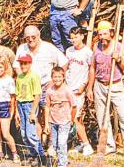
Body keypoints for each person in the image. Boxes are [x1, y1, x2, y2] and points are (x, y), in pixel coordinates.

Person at [86, 21, 124, 162]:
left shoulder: (118, 47)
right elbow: (93, 68)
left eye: (105, 33)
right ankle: (109, 146)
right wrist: (90, 87)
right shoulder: (96, 47)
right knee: (102, 118)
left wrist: (118, 59)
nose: (102, 37)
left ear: (111, 33)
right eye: (100, 34)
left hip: (115, 85)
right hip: (100, 85)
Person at [13, 25, 68, 154]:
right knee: (34, 117)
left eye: (33, 37)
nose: (30, 40)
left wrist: (55, 81)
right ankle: (38, 147)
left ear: (39, 36)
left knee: (49, 116)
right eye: (27, 38)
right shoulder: (22, 48)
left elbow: (64, 62)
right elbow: (16, 67)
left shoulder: (48, 48)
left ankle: (51, 145)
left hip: (46, 85)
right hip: (29, 87)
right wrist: (24, 80)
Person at [64, 26, 94, 156]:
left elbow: (92, 71)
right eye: (71, 38)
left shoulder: (88, 52)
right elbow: (66, 67)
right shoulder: (69, 51)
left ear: (82, 36)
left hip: (78, 90)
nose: (73, 40)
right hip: (68, 89)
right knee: (78, 118)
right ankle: (80, 143)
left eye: (76, 37)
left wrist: (86, 86)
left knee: (74, 117)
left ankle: (87, 145)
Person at [15, 53, 45, 166]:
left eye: (25, 63)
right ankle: (32, 155)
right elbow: (17, 95)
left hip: (29, 105)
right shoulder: (19, 76)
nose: (23, 66)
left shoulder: (34, 76)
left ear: (30, 64)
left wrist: (33, 113)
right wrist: (17, 111)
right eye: (21, 63)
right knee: (23, 134)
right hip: (21, 105)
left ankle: (41, 155)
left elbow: (37, 95)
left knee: (31, 134)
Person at [44, 66, 77, 167]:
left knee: (62, 143)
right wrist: (46, 124)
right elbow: (47, 107)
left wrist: (71, 119)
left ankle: (62, 164)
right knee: (55, 144)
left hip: (64, 122)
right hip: (53, 122)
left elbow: (74, 106)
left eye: (59, 77)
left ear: (63, 77)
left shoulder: (67, 91)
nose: (57, 79)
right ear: (51, 77)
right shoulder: (49, 91)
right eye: (55, 77)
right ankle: (61, 160)